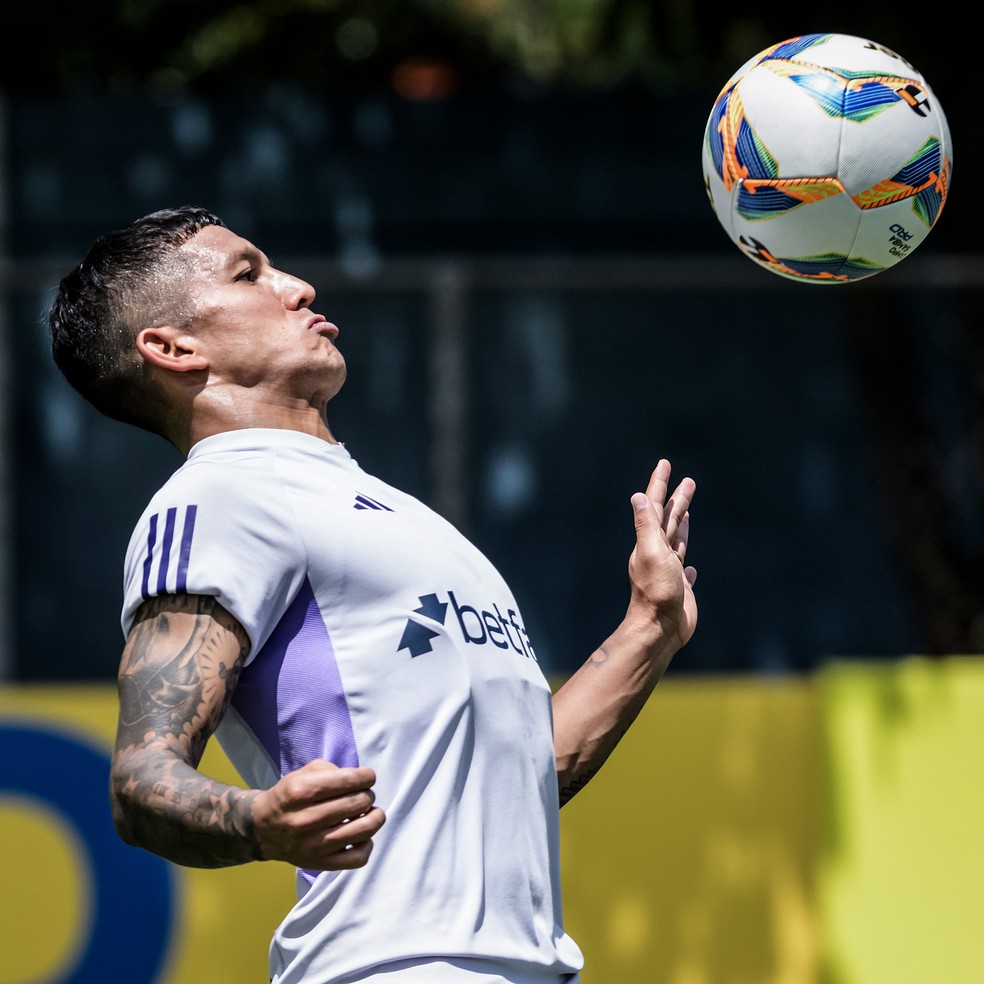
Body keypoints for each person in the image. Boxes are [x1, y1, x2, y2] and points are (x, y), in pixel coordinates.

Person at [47, 205, 698, 984]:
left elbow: (518, 777)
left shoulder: (393, 513)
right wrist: (259, 822)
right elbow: (141, 783)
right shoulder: (219, 496)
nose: (297, 286)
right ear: (173, 347)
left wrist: (647, 632)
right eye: (249, 273)